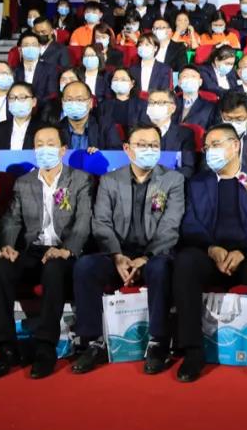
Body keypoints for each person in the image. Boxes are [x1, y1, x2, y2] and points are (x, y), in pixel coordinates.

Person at [71, 124, 185, 375]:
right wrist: (117, 256)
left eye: (154, 145)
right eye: (142, 145)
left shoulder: (173, 180)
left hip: (155, 254)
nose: (148, 150)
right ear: (127, 149)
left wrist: (146, 257)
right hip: (118, 254)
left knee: (161, 268)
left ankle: (158, 342)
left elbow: (170, 226)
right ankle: (92, 342)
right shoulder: (110, 180)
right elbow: (101, 222)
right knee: (85, 266)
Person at [173, 124, 247, 382]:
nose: (210, 151)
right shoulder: (197, 183)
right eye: (207, 147)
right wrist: (212, 248)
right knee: (185, 262)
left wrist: (243, 250)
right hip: (210, 254)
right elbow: (189, 223)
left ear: (235, 146)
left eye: (216, 144)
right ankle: (192, 352)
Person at [0, 126, 93, 380]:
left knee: (54, 269)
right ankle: (7, 348)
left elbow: (83, 221)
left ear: (63, 150)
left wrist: (67, 249)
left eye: (50, 144)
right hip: (33, 249)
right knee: (1, 268)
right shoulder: (24, 182)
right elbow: (12, 219)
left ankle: (45, 347)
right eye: (39, 144)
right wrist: (8, 245)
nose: (44, 149)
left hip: (63, 251)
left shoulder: (79, 179)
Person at [137, 89, 197, 177]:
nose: (154, 106)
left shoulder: (185, 134)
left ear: (172, 108)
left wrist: (167, 181)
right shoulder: (138, 133)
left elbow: (188, 169)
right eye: (151, 103)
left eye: (160, 103)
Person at [58, 82, 122, 152]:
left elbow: (117, 152)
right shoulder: (57, 129)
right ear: (63, 103)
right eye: (69, 100)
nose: (74, 104)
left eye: (79, 100)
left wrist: (99, 155)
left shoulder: (105, 125)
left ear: (90, 103)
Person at [0, 82, 41, 150]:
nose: (16, 101)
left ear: (34, 102)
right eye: (12, 97)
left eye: (22, 97)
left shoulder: (43, 129)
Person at [15, 32, 59, 104]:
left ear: (39, 48)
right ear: (20, 50)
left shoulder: (50, 69)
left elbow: (51, 94)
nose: (30, 48)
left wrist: (33, 103)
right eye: (26, 45)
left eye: (34, 45)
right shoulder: (15, 71)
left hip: (42, 107)